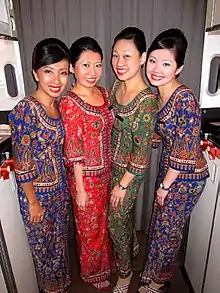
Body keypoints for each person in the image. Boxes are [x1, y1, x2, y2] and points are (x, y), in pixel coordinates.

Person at [138, 28, 210, 293]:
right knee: (160, 226)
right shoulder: (159, 95)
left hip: (186, 177)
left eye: (166, 63)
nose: (157, 69)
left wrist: (165, 186)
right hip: (171, 171)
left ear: (179, 67)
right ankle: (155, 274)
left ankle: (157, 282)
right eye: (154, 61)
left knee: (167, 230)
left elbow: (184, 151)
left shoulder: (184, 99)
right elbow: (159, 135)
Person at [8, 38, 71, 293]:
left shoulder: (56, 104)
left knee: (59, 248)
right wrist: (33, 202)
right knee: (44, 253)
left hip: (59, 191)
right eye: (48, 71)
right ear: (35, 72)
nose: (56, 80)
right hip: (38, 197)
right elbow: (22, 163)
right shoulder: (26, 110)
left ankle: (61, 287)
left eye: (63, 72)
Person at [59, 36, 113, 290]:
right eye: (85, 65)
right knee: (88, 229)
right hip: (84, 179)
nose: (93, 72)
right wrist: (79, 189)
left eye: (98, 65)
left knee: (102, 224)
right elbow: (74, 148)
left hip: (106, 173)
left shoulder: (103, 93)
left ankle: (104, 265)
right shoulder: (69, 102)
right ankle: (91, 274)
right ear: (72, 67)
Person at [108, 27, 158, 293]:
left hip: (129, 173)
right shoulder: (117, 85)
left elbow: (141, 156)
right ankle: (132, 246)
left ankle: (125, 276)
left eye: (127, 56)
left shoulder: (146, 101)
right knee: (121, 219)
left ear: (142, 57)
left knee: (114, 222)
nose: (119, 63)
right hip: (111, 165)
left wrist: (123, 185)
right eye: (116, 55)